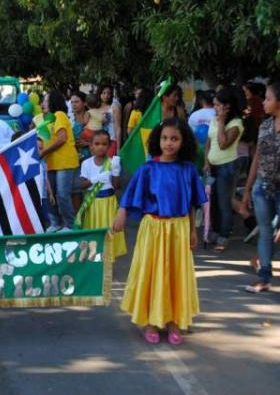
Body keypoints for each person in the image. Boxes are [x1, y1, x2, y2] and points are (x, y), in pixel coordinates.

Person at [112, 118, 207, 345]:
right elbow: (130, 194)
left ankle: (173, 320)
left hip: (179, 228)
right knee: (153, 272)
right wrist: (121, 212)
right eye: (165, 138)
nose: (169, 143)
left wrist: (193, 231)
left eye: (174, 138)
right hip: (153, 227)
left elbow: (193, 203)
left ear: (183, 142)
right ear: (157, 140)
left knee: (175, 274)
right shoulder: (148, 168)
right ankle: (152, 321)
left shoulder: (188, 169)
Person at [241, 82, 280, 293]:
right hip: (262, 186)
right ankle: (264, 277)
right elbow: (257, 157)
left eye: (268, 98)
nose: (264, 102)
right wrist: (247, 188)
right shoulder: (264, 126)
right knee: (265, 232)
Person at [204, 88, 244, 251]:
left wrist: (221, 121)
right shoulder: (214, 119)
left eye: (218, 105)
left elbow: (223, 143)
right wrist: (206, 161)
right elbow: (209, 141)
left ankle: (223, 237)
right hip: (212, 166)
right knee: (211, 203)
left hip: (227, 166)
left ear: (227, 106)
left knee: (224, 203)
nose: (215, 108)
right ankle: (213, 232)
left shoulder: (236, 124)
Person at [79, 131, 126, 259]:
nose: (100, 147)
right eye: (97, 144)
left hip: (108, 203)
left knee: (109, 233)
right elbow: (82, 185)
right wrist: (95, 179)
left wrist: (116, 171)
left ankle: (108, 265)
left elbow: (116, 185)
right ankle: (94, 264)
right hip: (93, 203)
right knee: (94, 234)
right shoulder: (86, 163)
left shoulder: (112, 162)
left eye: (104, 144)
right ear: (91, 146)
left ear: (109, 146)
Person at [39, 90, 79, 232]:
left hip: (64, 161)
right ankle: (56, 223)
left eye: (45, 100)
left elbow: (61, 138)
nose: (42, 103)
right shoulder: (47, 120)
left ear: (53, 102)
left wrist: (43, 152)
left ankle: (69, 224)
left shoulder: (59, 115)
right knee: (50, 194)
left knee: (62, 194)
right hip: (51, 163)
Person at [70, 91, 90, 212]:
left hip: (89, 156)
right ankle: (78, 218)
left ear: (84, 103)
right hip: (73, 157)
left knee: (89, 186)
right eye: (72, 102)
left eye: (77, 101)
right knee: (75, 189)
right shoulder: (68, 118)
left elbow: (102, 136)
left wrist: (88, 144)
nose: (74, 104)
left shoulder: (91, 116)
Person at [97, 85, 123, 155]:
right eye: (103, 93)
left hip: (111, 141)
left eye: (108, 93)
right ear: (99, 94)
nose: (106, 95)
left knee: (108, 165)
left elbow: (118, 128)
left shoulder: (114, 107)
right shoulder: (95, 108)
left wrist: (118, 148)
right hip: (96, 142)